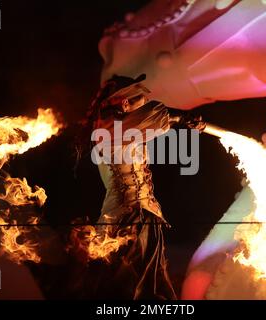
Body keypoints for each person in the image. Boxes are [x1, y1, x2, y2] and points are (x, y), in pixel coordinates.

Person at [74, 74, 204, 300]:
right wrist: (182, 118)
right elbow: (153, 114)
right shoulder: (108, 128)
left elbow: (151, 120)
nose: (143, 100)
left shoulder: (118, 128)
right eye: (139, 98)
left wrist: (183, 120)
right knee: (134, 291)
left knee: (150, 289)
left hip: (140, 218)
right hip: (130, 220)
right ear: (125, 103)